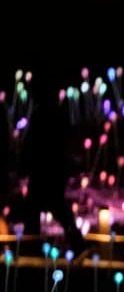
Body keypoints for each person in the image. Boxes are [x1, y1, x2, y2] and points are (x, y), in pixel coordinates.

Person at [13, 84, 87, 255]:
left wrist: (23, 167)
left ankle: (32, 248)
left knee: (43, 209)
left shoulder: (43, 116)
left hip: (44, 173)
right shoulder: (56, 115)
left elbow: (31, 145)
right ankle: (75, 243)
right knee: (52, 208)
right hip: (51, 172)